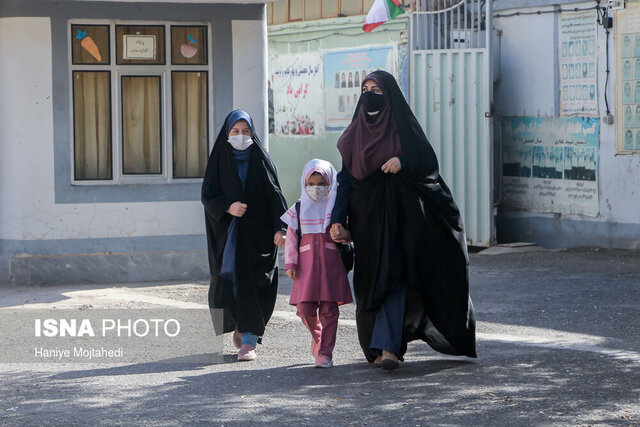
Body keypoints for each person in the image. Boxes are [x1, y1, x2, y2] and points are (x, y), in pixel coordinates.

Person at [329, 71, 476, 370]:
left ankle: (389, 348)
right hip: (366, 221)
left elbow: (427, 163)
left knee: (393, 278)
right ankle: (378, 346)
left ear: (391, 95)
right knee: (370, 281)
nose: (370, 95)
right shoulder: (352, 135)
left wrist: (403, 161)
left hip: (400, 219)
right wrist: (337, 220)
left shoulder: (403, 128)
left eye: (377, 90)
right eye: (365, 89)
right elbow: (345, 180)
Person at [201, 109, 288, 362]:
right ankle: (242, 328)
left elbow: (275, 195)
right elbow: (208, 195)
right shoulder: (219, 160)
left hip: (259, 237)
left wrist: (280, 228)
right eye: (236, 132)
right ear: (227, 134)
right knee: (234, 285)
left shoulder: (260, 159)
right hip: (229, 238)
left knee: (256, 285)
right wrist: (228, 207)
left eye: (246, 131)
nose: (241, 136)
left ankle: (249, 341)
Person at [281, 159, 353, 368]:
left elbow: (348, 235)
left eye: (321, 183)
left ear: (330, 183)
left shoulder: (338, 207)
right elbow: (292, 237)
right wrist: (290, 264)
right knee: (304, 308)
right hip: (306, 268)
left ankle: (325, 353)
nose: (316, 189)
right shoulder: (299, 208)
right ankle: (318, 336)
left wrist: (343, 235)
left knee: (330, 311)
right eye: (311, 184)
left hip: (331, 266)